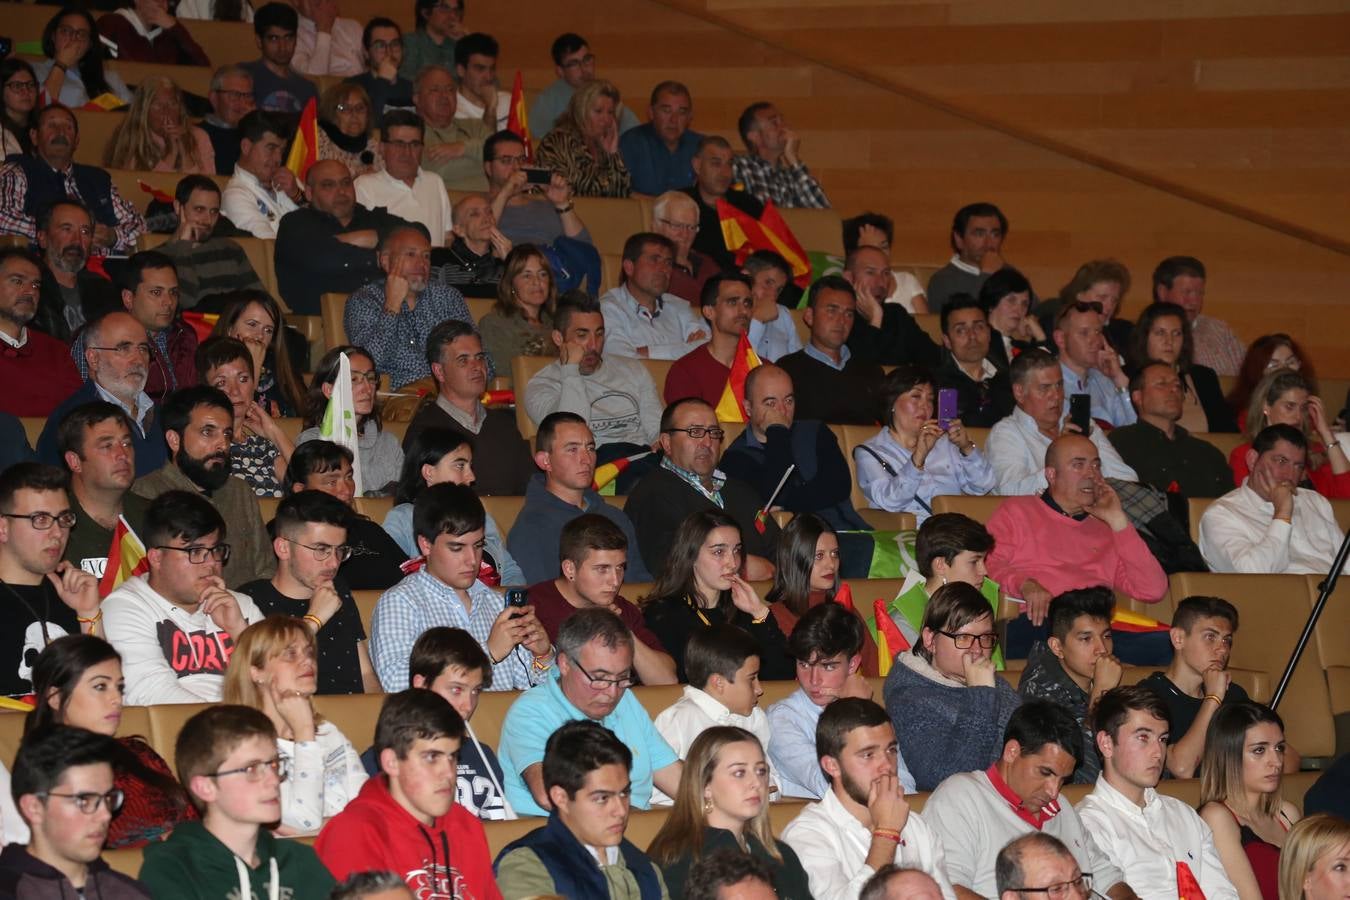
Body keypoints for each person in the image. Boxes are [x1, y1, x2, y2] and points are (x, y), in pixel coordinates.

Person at [922, 700, 1134, 900]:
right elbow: (944, 889)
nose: (1054, 791)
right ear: (1012, 751)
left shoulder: (1062, 809)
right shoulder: (961, 797)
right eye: (1045, 772)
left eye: (1063, 780)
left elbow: (1106, 876)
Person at [138, 705, 337, 900]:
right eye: (251, 769)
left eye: (274, 765)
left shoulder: (299, 861)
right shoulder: (173, 868)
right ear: (206, 787)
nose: (274, 780)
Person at [497, 608, 682, 814]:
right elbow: (550, 796)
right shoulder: (531, 711)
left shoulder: (626, 699)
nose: (612, 692)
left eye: (622, 677)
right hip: (561, 835)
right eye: (600, 678)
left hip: (634, 829)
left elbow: (675, 778)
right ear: (565, 664)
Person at [369, 483, 551, 691]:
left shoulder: (495, 602)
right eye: (457, 548)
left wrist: (542, 655)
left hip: (501, 721)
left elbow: (533, 686)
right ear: (425, 545)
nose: (472, 560)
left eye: (478, 546)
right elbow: (397, 685)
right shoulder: (400, 602)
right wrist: (486, 654)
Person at [316, 689, 498, 896]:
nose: (448, 772)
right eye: (431, 757)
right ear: (391, 763)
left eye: (453, 756)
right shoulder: (353, 832)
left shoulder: (466, 825)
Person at [25, 634, 198, 849]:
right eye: (100, 687)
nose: (116, 699)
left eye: (120, 687)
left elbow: (193, 822)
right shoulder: (44, 769)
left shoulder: (138, 752)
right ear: (56, 697)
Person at [781, 698, 959, 900]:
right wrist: (886, 834)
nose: (887, 766)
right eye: (868, 755)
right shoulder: (808, 835)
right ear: (832, 766)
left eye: (891, 750)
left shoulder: (916, 827)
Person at [1076, 686, 1240, 900]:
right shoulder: (1088, 824)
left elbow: (1222, 894)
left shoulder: (1183, 814)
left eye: (1162, 739)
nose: (1158, 753)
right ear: (1106, 744)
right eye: (1143, 737)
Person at [985, 434, 1168, 625]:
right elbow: (987, 564)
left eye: (1096, 466)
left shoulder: (1107, 528)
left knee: (1169, 643)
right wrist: (1023, 584)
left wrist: (1119, 521)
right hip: (1039, 622)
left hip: (1096, 627)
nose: (1091, 474)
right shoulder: (1017, 511)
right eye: (1078, 465)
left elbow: (1153, 590)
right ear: (1051, 475)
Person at [102, 489, 264, 704]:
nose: (211, 563)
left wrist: (239, 632)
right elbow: (149, 693)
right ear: (157, 558)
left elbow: (281, 684)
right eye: (195, 552)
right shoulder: (124, 607)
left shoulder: (240, 605)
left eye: (215, 550)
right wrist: (232, 725)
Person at [222, 617, 368, 834]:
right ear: (256, 672)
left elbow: (368, 808)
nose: (308, 661)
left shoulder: (327, 732)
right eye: (291, 654)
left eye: (309, 653)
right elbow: (304, 822)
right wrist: (304, 734)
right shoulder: (240, 745)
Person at [494, 720, 668, 899]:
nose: (621, 811)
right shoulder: (527, 864)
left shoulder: (645, 869)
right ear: (560, 797)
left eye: (624, 793)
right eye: (602, 798)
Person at [131, 386, 275, 588]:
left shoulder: (240, 491)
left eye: (226, 434)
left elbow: (266, 571)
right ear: (174, 440)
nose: (222, 445)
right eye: (208, 432)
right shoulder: (144, 494)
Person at [239, 489, 380, 695]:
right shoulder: (250, 599)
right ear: (283, 548)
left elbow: (365, 673)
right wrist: (315, 618)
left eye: (340, 550)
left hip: (353, 718)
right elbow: (258, 683)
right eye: (321, 549)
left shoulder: (337, 588)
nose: (333, 563)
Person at [883, 583, 1021, 791]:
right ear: (930, 640)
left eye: (985, 638)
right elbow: (948, 779)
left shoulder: (991, 681)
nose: (977, 650)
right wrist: (981, 696)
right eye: (963, 638)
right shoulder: (908, 700)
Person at [647, 727, 812, 899]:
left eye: (761, 771)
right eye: (739, 773)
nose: (756, 782)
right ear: (705, 785)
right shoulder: (678, 859)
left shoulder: (780, 854)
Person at [626, 398, 782, 579]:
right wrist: (740, 567)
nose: (707, 442)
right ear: (667, 443)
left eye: (714, 432)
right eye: (695, 432)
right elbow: (670, 565)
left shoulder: (740, 490)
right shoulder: (653, 493)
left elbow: (781, 551)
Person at [721, 365, 872, 540]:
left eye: (788, 401)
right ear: (748, 408)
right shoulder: (735, 458)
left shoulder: (815, 432)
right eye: (770, 403)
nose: (782, 411)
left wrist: (786, 502)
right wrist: (777, 432)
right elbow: (772, 493)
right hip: (796, 549)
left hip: (847, 533)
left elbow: (838, 486)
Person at [1, 725, 152, 899]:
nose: (105, 815)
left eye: (108, 798)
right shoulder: (11, 890)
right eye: (85, 800)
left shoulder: (128, 892)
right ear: (34, 807)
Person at [639, 510, 790, 682]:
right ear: (691, 555)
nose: (732, 563)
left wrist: (760, 612)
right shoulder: (664, 614)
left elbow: (783, 675)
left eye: (736, 551)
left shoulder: (742, 609)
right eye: (719, 552)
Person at [522, 513, 672, 683]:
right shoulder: (533, 608)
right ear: (570, 569)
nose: (615, 581)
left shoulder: (622, 609)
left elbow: (666, 681)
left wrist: (622, 631)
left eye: (620, 568)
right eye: (602, 569)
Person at [508, 413, 653, 585]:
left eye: (590, 448)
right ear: (545, 461)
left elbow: (640, 585)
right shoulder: (531, 527)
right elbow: (544, 599)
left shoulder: (615, 517)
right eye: (572, 449)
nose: (586, 459)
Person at [768, 602, 893, 799]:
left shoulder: (871, 711)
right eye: (804, 664)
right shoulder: (783, 718)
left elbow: (904, 782)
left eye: (827, 667)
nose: (813, 680)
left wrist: (857, 709)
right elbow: (831, 786)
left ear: (852, 665)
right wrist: (853, 717)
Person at [382, 628, 510, 820]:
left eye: (475, 691)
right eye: (456, 689)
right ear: (421, 685)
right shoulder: (388, 759)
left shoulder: (482, 754)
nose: (468, 706)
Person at [523, 290, 664, 460]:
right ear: (559, 338)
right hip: (593, 470)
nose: (593, 345)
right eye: (582, 335)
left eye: (599, 334)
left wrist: (661, 442)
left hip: (644, 463)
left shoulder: (633, 370)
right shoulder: (542, 385)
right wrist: (570, 370)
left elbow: (656, 428)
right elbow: (570, 434)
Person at [0, 463, 101, 699]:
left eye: (64, 518)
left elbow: (100, 690)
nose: (58, 533)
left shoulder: (72, 591)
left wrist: (88, 613)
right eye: (41, 519)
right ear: (3, 527)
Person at [402, 320, 532, 494]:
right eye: (463, 360)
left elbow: (530, 489)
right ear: (439, 371)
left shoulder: (505, 425)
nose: (477, 367)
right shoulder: (425, 430)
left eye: (479, 357)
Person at [345, 226, 483, 389]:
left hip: (450, 395)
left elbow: (480, 356)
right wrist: (392, 306)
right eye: (411, 254)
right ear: (385, 260)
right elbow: (366, 365)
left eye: (426, 256)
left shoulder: (447, 297)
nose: (421, 263)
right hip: (399, 401)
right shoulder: (364, 300)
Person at [1199, 424, 1348, 574]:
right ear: (1252, 460)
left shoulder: (1314, 501)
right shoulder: (1222, 514)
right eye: (1281, 461)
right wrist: (1282, 514)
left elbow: (1346, 563)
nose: (1289, 475)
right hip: (1275, 596)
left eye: (1298, 466)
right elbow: (1251, 577)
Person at [856, 365, 996, 524]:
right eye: (916, 396)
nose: (925, 406)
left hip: (954, 532)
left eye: (930, 399)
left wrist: (966, 447)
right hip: (910, 533)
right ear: (892, 402)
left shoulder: (945, 443)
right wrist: (918, 458)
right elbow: (890, 502)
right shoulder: (871, 452)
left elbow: (983, 486)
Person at [382, 427, 522, 585]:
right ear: (429, 472)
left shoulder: (476, 513)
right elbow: (390, 576)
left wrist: (510, 602)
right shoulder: (403, 518)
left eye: (470, 466)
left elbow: (510, 570)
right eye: (460, 466)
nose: (471, 477)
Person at [986, 350, 1138, 495]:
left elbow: (1126, 478)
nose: (1056, 396)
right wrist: (1064, 449)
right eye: (1044, 388)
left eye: (1059, 385)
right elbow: (1011, 492)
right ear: (1019, 392)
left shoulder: (1079, 422)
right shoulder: (1006, 434)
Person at [274, 158, 411, 316]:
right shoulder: (295, 224)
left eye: (346, 183)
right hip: (327, 324)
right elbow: (323, 259)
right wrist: (379, 258)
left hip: (388, 315)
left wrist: (373, 236)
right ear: (310, 193)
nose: (341, 192)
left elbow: (421, 234)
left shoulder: (372, 218)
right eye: (328, 185)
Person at [0, 105, 144, 255]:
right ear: (34, 136)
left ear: (76, 140)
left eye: (68, 127)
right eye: (52, 125)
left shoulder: (98, 179)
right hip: (45, 268)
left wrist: (113, 236)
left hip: (106, 268)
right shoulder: (17, 171)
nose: (60, 131)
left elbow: (140, 227)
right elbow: (2, 217)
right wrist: (58, 233)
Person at [38, 313, 167, 477]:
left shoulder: (163, 415)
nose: (138, 360)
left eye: (143, 349)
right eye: (124, 348)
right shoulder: (70, 419)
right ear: (93, 359)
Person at [1137, 596, 1251, 778]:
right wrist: (1213, 698)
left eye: (1226, 640)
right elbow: (1182, 768)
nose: (1222, 649)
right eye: (1210, 637)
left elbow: (1285, 760)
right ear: (1178, 638)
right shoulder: (1147, 696)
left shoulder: (1234, 694)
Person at [1197, 702, 1301, 900]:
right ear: (1228, 756)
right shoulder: (1217, 817)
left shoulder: (1287, 813)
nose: (1277, 761)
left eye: (1279, 748)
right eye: (1259, 750)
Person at [1017, 588, 1121, 785]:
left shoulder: (1100, 674)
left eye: (1106, 636)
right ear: (1057, 647)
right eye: (1086, 639)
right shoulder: (1039, 695)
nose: (1102, 649)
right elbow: (1080, 779)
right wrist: (1101, 694)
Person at [66, 251, 198, 407]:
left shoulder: (185, 335)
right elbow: (83, 403)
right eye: (156, 293)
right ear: (128, 298)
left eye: (173, 292)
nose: (168, 302)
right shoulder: (98, 337)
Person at [282, 440, 409, 591]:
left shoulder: (370, 531)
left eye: (349, 477)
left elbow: (410, 577)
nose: (346, 490)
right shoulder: (286, 535)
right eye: (332, 482)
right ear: (301, 489)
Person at [869, 512, 1000, 655]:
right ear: (941, 565)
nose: (984, 571)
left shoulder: (981, 603)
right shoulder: (901, 625)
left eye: (984, 561)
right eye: (974, 562)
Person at [763, 515, 880, 667]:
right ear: (795, 560)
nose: (831, 564)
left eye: (835, 554)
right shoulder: (773, 617)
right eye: (819, 556)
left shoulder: (844, 611)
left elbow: (874, 670)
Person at [1107, 360, 1235, 499]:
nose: (1174, 389)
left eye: (1178, 385)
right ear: (1138, 397)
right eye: (1161, 384)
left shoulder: (1207, 452)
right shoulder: (1121, 443)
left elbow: (1230, 504)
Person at [53, 403, 153, 577]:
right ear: (75, 462)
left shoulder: (155, 518)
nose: (123, 454)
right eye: (107, 446)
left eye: (127, 443)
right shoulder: (51, 525)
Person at [776, 276, 885, 426]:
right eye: (831, 311)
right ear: (809, 316)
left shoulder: (870, 371)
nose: (841, 321)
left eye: (848, 314)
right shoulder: (786, 370)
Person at [654, 625, 770, 762]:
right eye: (751, 679)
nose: (759, 689)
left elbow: (768, 772)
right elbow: (656, 776)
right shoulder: (677, 721)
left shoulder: (754, 717)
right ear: (718, 683)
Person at [298, 345, 404, 494]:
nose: (367, 388)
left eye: (371, 378)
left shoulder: (389, 443)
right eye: (353, 379)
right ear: (329, 390)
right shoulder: (313, 441)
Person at [196, 336, 293, 497]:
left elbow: (310, 490)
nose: (234, 391)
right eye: (221, 383)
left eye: (243, 379)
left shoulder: (262, 445)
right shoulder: (203, 445)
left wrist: (274, 432)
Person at [1229, 369, 1350, 498]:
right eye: (1289, 407)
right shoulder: (1246, 455)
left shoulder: (1315, 452)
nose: (1298, 417)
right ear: (1266, 406)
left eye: (1303, 408)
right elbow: (1249, 506)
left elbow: (1347, 497)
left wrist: (1326, 433)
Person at [1126, 301, 1237, 433]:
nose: (1169, 341)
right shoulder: (1128, 376)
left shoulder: (1203, 376)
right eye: (1160, 333)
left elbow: (1228, 431)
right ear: (1145, 338)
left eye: (1177, 333)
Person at [157, 180, 269, 311]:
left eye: (214, 212)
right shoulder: (159, 258)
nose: (208, 220)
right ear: (178, 207)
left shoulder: (230, 250)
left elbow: (262, 301)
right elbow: (185, 302)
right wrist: (184, 247)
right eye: (199, 210)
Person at [601, 232, 709, 362]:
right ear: (629, 267)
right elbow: (623, 361)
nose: (664, 269)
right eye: (654, 260)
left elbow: (706, 349)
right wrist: (685, 349)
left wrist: (647, 352)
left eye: (668, 263)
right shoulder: (608, 308)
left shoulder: (679, 305)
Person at [0, 249, 82, 419]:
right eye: (17, 281)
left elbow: (78, 417)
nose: (30, 291)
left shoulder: (56, 351)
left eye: (36, 284)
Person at [354, 110, 453, 248]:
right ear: (381, 148)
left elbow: (447, 238)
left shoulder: (435, 182)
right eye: (399, 144)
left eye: (414, 144)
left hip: (436, 267)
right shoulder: (364, 186)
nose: (407, 152)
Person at [32, 199, 121, 344]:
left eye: (85, 232)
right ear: (43, 238)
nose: (77, 241)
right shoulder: (29, 289)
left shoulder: (104, 289)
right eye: (67, 229)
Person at [483, 130, 593, 248]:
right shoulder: (476, 207)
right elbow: (478, 244)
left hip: (546, 263)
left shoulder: (546, 206)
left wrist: (562, 203)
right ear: (489, 168)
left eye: (521, 160)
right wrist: (505, 193)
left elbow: (585, 249)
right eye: (506, 161)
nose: (516, 167)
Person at [208, 290, 305, 417]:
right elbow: (238, 421)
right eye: (252, 324)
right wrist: (252, 365)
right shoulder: (211, 367)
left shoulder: (280, 369)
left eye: (268, 330)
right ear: (230, 329)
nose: (260, 335)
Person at [663, 273, 756, 405]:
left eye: (747, 303)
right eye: (733, 302)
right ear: (709, 312)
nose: (743, 311)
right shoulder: (685, 372)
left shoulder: (762, 368)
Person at [529, 34, 640, 140]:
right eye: (574, 63)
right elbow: (539, 139)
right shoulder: (548, 100)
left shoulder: (605, 92)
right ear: (560, 71)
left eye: (587, 60)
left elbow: (634, 132)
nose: (584, 68)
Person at [535, 80, 632, 198]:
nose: (606, 119)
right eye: (598, 111)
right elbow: (562, 192)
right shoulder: (557, 141)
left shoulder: (603, 144)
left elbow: (622, 194)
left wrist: (613, 155)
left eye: (610, 112)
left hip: (605, 215)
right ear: (581, 110)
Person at [1152, 256, 1245, 377]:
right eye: (1187, 292)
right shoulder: (1148, 333)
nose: (1194, 301)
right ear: (1163, 292)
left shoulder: (1220, 330)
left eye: (1200, 293)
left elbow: (1249, 375)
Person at [683, 136, 766, 270]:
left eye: (729, 164)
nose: (725, 173)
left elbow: (767, 254)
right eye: (716, 164)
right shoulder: (681, 204)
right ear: (697, 165)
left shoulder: (749, 205)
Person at [931, 294, 1015, 428]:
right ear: (947, 341)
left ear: (988, 333)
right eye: (961, 330)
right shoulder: (940, 386)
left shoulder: (1010, 380)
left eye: (979, 327)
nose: (972, 336)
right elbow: (948, 434)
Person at [102, 77, 215, 174]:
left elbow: (205, 188)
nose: (166, 112)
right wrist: (171, 154)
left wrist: (185, 152)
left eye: (172, 104)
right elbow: (137, 192)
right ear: (143, 111)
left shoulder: (199, 136)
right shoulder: (130, 138)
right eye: (157, 105)